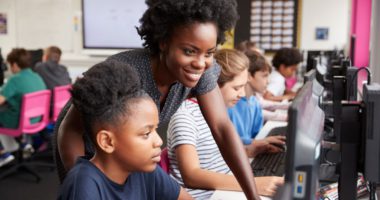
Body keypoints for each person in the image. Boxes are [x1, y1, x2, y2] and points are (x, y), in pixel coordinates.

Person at [54, 0, 260, 199]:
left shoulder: (200, 69)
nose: (200, 63)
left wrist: (253, 196)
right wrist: (87, 181)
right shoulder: (127, 70)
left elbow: (222, 128)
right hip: (86, 153)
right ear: (164, 42)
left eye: (210, 53)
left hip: (128, 156)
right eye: (189, 51)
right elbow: (71, 130)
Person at [58, 60, 192, 200]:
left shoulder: (143, 168)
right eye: (146, 134)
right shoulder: (83, 187)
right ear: (107, 141)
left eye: (155, 130)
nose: (159, 141)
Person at [167, 49, 283, 199]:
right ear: (213, 84)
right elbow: (191, 175)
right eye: (236, 88)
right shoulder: (185, 116)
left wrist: (250, 151)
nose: (242, 94)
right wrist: (254, 183)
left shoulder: (219, 112)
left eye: (243, 86)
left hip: (223, 191)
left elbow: (213, 157)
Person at [228, 50, 286, 159]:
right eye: (264, 76)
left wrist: (262, 144)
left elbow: (256, 135)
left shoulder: (254, 102)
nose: (267, 82)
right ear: (249, 76)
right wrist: (256, 142)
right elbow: (227, 140)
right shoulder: (230, 105)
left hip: (247, 154)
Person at [0, 48, 46, 167]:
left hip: (20, 122)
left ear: (14, 64)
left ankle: (3, 154)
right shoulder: (37, 76)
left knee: (5, 112)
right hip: (36, 120)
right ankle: (24, 144)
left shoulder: (15, 79)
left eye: (10, 65)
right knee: (13, 109)